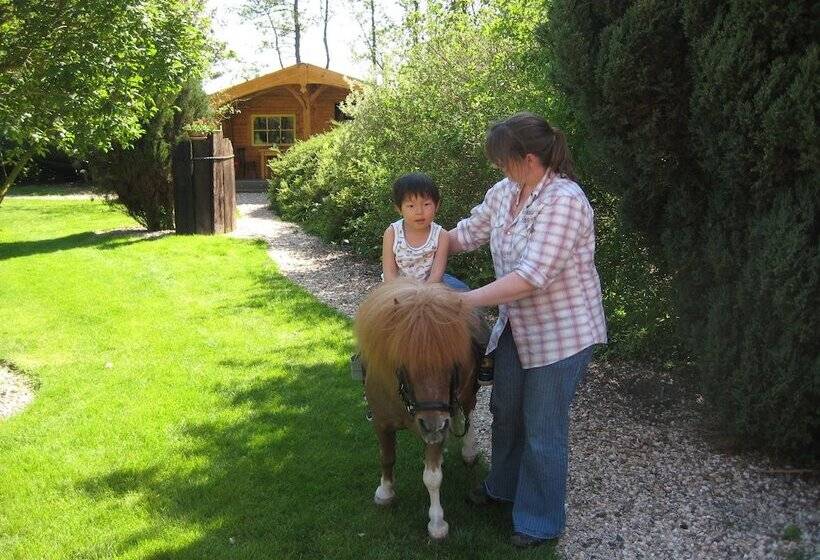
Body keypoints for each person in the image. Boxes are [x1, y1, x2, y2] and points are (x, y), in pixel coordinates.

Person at [448, 112, 607, 548]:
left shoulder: (565, 200)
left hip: (564, 334)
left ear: (530, 158)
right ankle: (503, 486)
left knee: (542, 427)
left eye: (503, 160)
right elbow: (463, 235)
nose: (498, 168)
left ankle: (539, 520)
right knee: (506, 411)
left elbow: (531, 275)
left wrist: (461, 300)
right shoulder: (505, 192)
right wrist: (415, 238)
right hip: (518, 326)